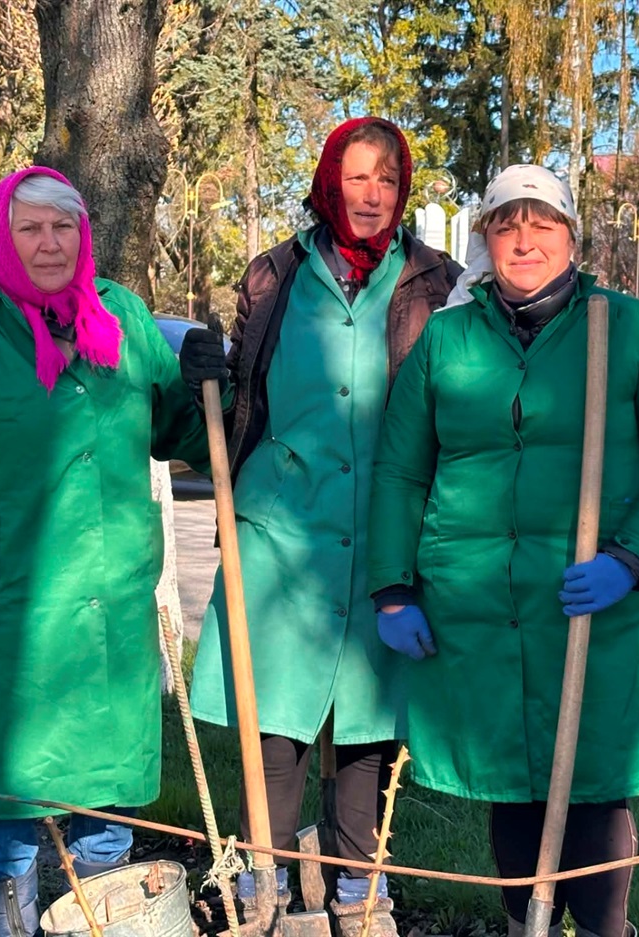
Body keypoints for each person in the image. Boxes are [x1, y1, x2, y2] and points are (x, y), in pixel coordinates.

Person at [0, 166, 213, 937]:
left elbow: (176, 434)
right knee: (7, 814)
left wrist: (205, 391)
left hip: (105, 617)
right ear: (3, 235)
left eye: (64, 227)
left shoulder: (119, 315)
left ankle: (105, 924)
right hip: (1, 620)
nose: (50, 243)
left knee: (103, 819)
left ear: (82, 234)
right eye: (31, 228)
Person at [366, 165, 639, 937]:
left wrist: (630, 557)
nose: (525, 240)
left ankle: (602, 928)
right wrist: (393, 587)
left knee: (593, 782)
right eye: (507, 225)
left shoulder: (626, 330)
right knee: (511, 785)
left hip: (593, 600)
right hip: (479, 603)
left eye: (543, 225)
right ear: (486, 241)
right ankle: (527, 922)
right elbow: (400, 468)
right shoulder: (446, 340)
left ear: (571, 238)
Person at [178, 116, 460, 930]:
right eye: (356, 176)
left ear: (404, 190)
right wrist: (209, 377)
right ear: (329, 180)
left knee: (369, 730)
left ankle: (357, 891)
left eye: (388, 179)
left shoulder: (433, 281)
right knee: (276, 724)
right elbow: (244, 398)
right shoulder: (273, 275)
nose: (371, 194)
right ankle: (260, 888)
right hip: (279, 529)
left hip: (387, 526)